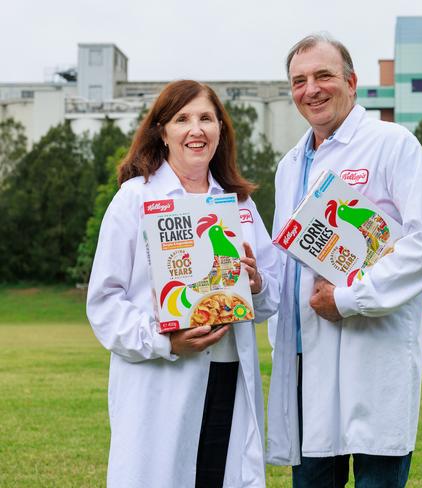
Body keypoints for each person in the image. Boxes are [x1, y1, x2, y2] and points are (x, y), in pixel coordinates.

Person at [266, 34, 422, 487]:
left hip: (373, 356)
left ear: (352, 82)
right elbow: (285, 261)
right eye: (299, 80)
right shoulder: (290, 165)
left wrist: (349, 298)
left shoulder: (392, 144)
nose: (311, 88)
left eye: (323, 75)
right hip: (305, 364)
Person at [87, 80, 279, 488]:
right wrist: (164, 342)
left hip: (228, 378)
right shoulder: (134, 199)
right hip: (161, 380)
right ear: (163, 131)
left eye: (207, 118)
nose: (197, 129)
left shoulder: (239, 205)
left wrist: (257, 282)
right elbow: (104, 303)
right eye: (183, 119)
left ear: (221, 131)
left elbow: (270, 296)